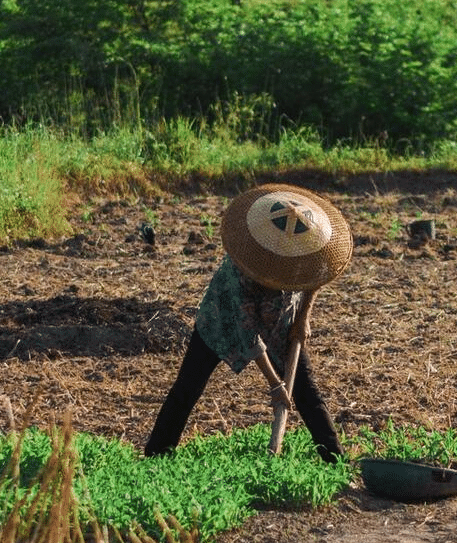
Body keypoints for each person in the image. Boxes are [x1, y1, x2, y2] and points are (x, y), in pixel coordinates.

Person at [144, 183, 353, 463]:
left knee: (306, 390)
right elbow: (248, 332)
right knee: (188, 387)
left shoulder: (303, 251)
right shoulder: (242, 270)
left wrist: (303, 317)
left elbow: (317, 272)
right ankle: (157, 454)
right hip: (220, 322)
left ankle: (335, 460)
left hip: (280, 318)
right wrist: (275, 385)